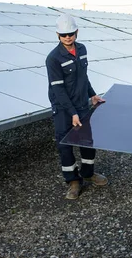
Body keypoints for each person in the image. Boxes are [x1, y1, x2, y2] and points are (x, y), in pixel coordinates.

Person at [45, 13, 107, 200]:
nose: (68, 37)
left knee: (87, 140)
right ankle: (73, 181)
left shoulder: (82, 49)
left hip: (82, 104)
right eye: (64, 35)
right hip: (63, 109)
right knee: (65, 144)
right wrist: (72, 113)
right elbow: (58, 90)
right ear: (58, 35)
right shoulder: (53, 58)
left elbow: (83, 77)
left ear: (77, 32)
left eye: (71, 33)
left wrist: (92, 94)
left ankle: (88, 173)